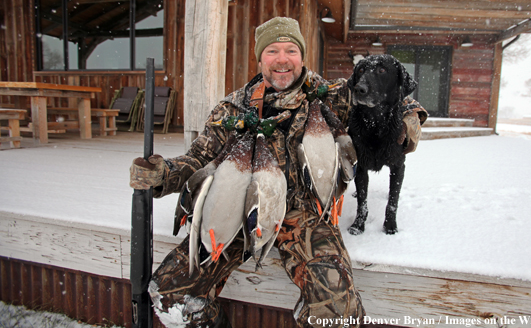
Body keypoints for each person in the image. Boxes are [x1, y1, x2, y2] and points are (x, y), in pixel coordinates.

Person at [130, 17, 426, 328]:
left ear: (301, 57)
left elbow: (386, 89)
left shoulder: (328, 95)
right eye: (272, 51)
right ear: (259, 59)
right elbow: (198, 159)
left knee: (337, 311)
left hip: (303, 217)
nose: (282, 59)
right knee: (170, 292)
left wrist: (411, 114)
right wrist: (163, 173)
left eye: (290, 50)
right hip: (237, 214)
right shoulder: (233, 109)